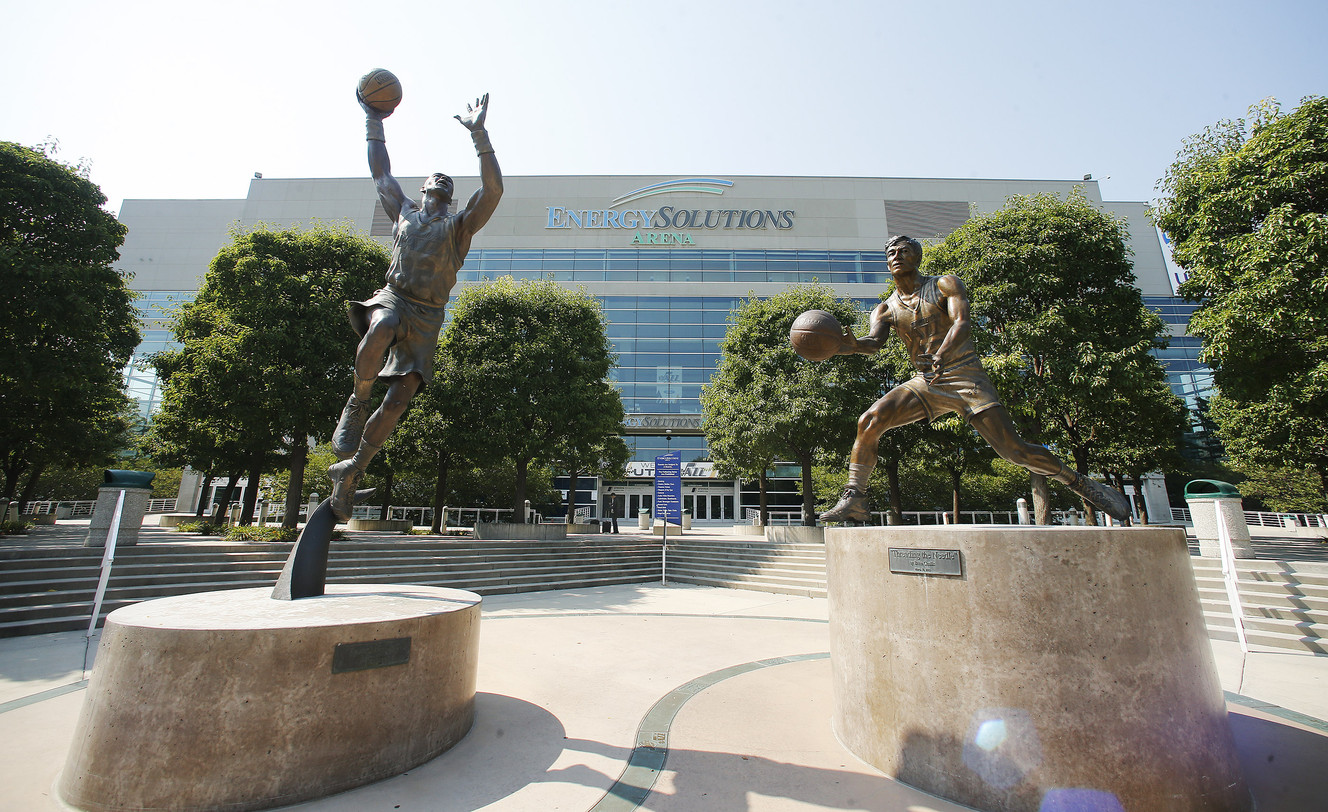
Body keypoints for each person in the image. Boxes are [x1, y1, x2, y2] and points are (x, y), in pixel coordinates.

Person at [819, 235, 1130, 524]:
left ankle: (1077, 481)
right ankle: (856, 496)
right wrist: (851, 346)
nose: (897, 256)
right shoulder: (885, 308)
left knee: (1015, 451)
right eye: (891, 253)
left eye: (904, 251)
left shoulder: (944, 285)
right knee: (870, 420)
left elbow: (963, 323)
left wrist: (944, 350)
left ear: (917, 257)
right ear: (887, 263)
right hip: (927, 381)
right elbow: (874, 344)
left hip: (965, 376)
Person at [327, 92, 503, 519]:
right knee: (382, 324)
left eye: (448, 182)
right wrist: (374, 119)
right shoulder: (402, 212)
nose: (441, 181)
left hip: (428, 318)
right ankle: (357, 400)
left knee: (401, 400)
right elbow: (379, 170)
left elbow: (494, 189)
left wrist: (479, 134)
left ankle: (351, 474)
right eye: (435, 179)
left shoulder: (459, 228)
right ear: (424, 188)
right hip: (394, 298)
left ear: (451, 196)